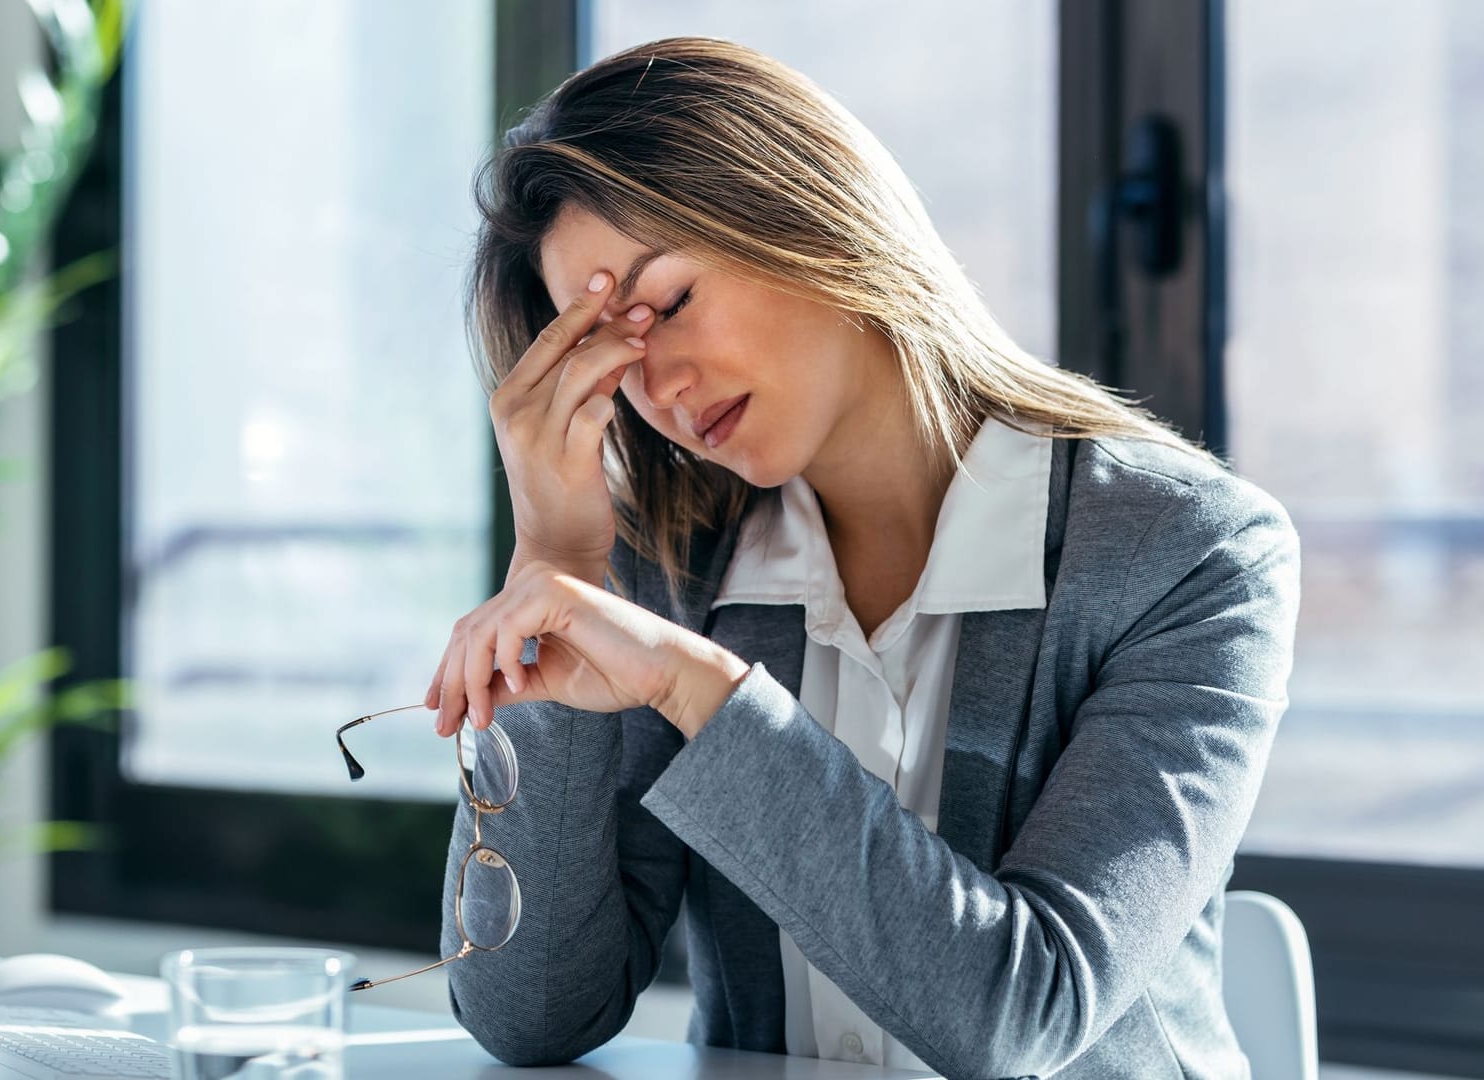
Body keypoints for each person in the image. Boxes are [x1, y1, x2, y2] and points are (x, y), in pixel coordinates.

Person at [425, 36, 1300, 1080]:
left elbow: (1019, 1016)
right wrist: (554, 565)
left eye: (669, 303)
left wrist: (695, 689)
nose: (656, 382)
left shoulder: (1191, 554)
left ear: (809, 217)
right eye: (603, 350)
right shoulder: (668, 568)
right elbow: (530, 1017)